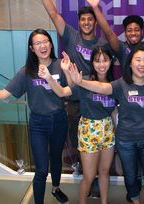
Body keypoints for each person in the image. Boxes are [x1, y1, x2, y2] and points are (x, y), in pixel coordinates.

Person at [0, 29, 69, 204]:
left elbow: (70, 91)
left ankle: (56, 188)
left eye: (46, 41)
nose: (43, 46)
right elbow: (2, 94)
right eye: (38, 43)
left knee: (56, 158)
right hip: (38, 124)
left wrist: (69, 72)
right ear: (31, 48)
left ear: (51, 44)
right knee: (41, 169)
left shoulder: (61, 65)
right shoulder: (27, 72)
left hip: (60, 119)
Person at [68, 45, 144, 204]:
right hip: (125, 140)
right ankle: (135, 201)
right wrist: (80, 81)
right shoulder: (120, 84)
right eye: (138, 60)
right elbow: (101, 87)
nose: (142, 64)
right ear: (130, 64)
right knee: (129, 178)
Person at [30, 0, 105, 177]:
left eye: (91, 19)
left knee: (101, 140)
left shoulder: (102, 44)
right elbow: (53, 14)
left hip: (96, 99)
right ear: (79, 22)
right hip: (74, 100)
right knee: (78, 139)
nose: (87, 22)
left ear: (96, 22)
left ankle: (100, 176)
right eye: (83, 20)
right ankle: (87, 175)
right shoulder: (71, 36)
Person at [39, 46, 116, 204]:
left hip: (108, 130)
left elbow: (115, 109)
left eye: (105, 60)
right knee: (89, 175)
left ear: (111, 61)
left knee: (104, 171)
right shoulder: (84, 80)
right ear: (92, 63)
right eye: (97, 60)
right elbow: (62, 92)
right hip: (89, 130)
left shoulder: (115, 84)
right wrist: (49, 77)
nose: (102, 64)